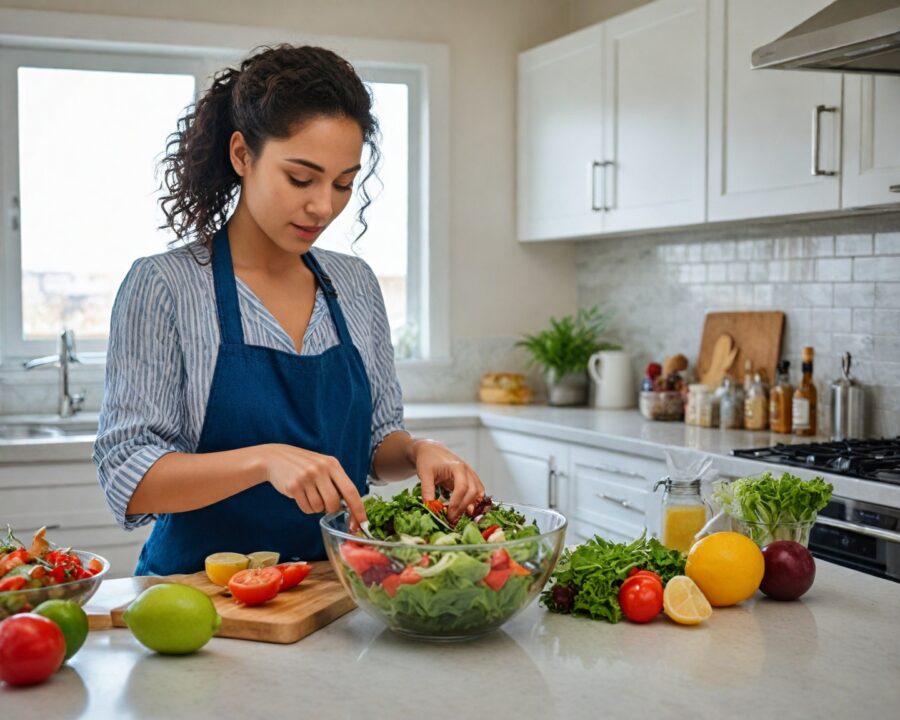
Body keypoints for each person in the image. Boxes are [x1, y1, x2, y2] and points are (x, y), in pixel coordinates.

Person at [93, 44, 484, 575]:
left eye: (343, 183)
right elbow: (128, 475)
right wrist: (263, 460)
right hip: (197, 595)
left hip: (332, 588)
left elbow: (376, 442)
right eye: (301, 178)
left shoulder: (354, 284)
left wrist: (419, 451)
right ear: (242, 155)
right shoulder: (165, 285)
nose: (323, 206)